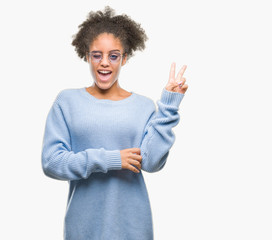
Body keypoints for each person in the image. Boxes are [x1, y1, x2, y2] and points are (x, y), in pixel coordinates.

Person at [41, 6, 188, 240]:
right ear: (87, 56)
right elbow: (51, 162)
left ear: (124, 58)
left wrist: (169, 105)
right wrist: (111, 159)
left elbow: (151, 163)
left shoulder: (143, 106)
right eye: (97, 55)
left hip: (133, 228)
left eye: (113, 55)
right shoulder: (67, 102)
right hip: (84, 228)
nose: (104, 63)